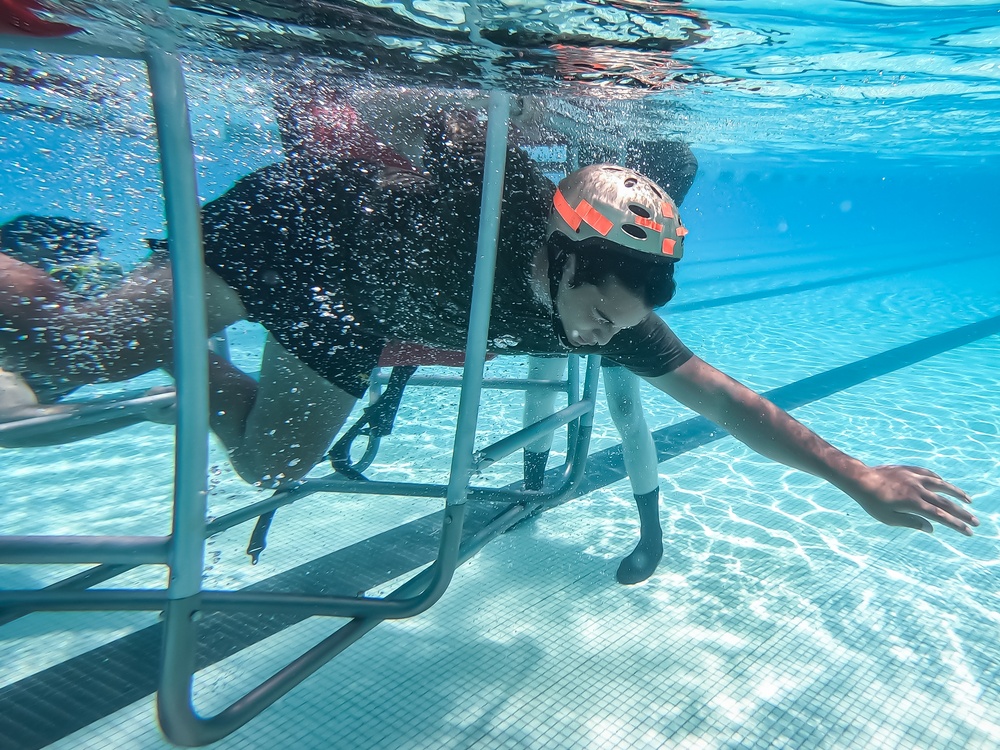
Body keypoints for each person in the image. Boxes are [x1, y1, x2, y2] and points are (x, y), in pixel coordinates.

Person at [0, 108, 979, 540]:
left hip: (349, 317)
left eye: (615, 327)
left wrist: (853, 476)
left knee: (269, 466)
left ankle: (194, 361)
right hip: (288, 234)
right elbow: (387, 86)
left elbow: (723, 399)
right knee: (73, 348)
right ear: (554, 257)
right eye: (593, 315)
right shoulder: (489, 178)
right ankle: (68, 283)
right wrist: (372, 120)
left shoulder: (607, 315)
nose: (595, 341)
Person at [523, 140, 699, 585]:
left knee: (625, 410)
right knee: (541, 381)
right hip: (572, 294)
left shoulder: (659, 180)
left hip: (615, 310)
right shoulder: (595, 176)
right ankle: (530, 491)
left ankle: (651, 535)